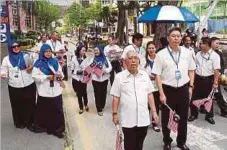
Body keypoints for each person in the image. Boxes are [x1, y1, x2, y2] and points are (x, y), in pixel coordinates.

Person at [152, 27, 196, 150]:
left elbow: (192, 70)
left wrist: (191, 87)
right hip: (168, 90)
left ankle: (181, 141)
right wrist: (161, 93)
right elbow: (157, 75)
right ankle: (167, 141)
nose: (176, 38)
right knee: (166, 118)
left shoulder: (187, 53)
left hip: (183, 89)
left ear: (181, 38)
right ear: (168, 38)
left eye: (178, 36)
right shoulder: (161, 54)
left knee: (183, 117)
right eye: (173, 36)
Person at [110, 51, 158, 150]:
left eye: (135, 58)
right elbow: (116, 97)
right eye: (130, 58)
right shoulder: (120, 77)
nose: (133, 61)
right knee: (129, 145)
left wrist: (154, 112)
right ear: (125, 62)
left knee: (139, 145)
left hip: (143, 119)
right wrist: (114, 114)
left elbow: (149, 94)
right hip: (128, 119)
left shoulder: (144, 75)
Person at [32, 44, 65, 138]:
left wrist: (59, 76)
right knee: (45, 111)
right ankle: (46, 127)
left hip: (56, 90)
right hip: (44, 92)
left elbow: (60, 73)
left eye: (49, 51)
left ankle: (58, 129)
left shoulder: (55, 62)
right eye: (46, 51)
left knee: (57, 110)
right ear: (42, 52)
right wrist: (46, 77)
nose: (48, 53)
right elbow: (34, 76)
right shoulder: (38, 63)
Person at [0, 41, 36, 129]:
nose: (16, 48)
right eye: (14, 47)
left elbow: (32, 65)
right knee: (17, 104)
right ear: (10, 48)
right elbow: (3, 69)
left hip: (28, 83)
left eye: (18, 46)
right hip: (14, 86)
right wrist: (3, 74)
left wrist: (31, 68)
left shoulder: (26, 56)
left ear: (20, 47)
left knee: (30, 103)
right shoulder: (6, 59)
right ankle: (19, 122)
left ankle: (30, 122)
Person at [188, 37, 220, 125]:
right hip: (198, 78)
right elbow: (194, 67)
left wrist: (215, 82)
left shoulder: (214, 56)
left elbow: (216, 70)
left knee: (208, 99)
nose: (200, 45)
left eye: (201, 43)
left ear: (207, 45)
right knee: (194, 97)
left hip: (208, 79)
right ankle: (194, 114)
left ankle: (209, 116)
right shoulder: (198, 54)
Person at [90, 45, 112, 116]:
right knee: (97, 94)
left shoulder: (105, 59)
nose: (96, 51)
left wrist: (105, 70)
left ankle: (102, 105)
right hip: (95, 79)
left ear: (100, 50)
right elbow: (89, 68)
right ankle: (99, 109)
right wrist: (94, 70)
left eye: (97, 50)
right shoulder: (93, 59)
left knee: (103, 93)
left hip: (104, 79)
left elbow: (110, 67)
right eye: (95, 50)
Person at [144, 41, 161, 132]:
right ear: (147, 49)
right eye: (149, 48)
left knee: (156, 105)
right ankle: (145, 123)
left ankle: (155, 123)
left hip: (157, 86)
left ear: (155, 49)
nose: (151, 50)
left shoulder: (159, 59)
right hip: (146, 86)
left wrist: (158, 76)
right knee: (146, 106)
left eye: (153, 48)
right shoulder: (143, 60)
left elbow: (164, 70)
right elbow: (140, 72)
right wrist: (148, 76)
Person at [211, 37, 227, 118]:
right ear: (211, 43)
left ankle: (224, 111)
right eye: (216, 43)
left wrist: (221, 72)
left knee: (218, 94)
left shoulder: (219, 53)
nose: (218, 45)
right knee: (203, 94)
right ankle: (203, 108)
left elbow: (223, 64)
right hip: (206, 77)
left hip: (216, 77)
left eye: (219, 43)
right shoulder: (205, 52)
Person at [71, 46, 89, 114]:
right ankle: (81, 107)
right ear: (79, 50)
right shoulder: (74, 58)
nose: (84, 52)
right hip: (76, 78)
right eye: (82, 50)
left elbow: (89, 68)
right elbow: (72, 69)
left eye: (85, 50)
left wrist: (85, 72)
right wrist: (77, 72)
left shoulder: (86, 58)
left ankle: (86, 104)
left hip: (84, 78)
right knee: (79, 93)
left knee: (84, 92)